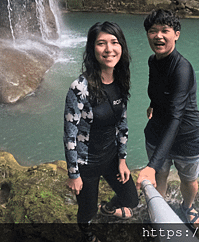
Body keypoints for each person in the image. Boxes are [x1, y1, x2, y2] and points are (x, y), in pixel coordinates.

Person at [64, 21, 139, 242]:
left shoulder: (121, 80)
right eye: (101, 43)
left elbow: (122, 122)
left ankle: (108, 208)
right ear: (92, 49)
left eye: (114, 43)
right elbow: (69, 133)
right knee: (87, 213)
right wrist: (73, 174)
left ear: (121, 47)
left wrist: (122, 159)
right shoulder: (79, 88)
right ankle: (87, 235)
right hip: (86, 164)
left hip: (111, 157)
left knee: (131, 200)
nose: (109, 49)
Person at [136, 9, 199, 228]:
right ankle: (161, 210)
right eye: (153, 31)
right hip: (158, 130)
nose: (158, 36)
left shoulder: (182, 68)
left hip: (187, 136)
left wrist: (150, 166)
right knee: (162, 175)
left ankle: (187, 207)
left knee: (188, 180)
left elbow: (177, 115)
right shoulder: (153, 61)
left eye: (164, 30)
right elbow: (158, 89)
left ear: (176, 34)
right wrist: (154, 105)